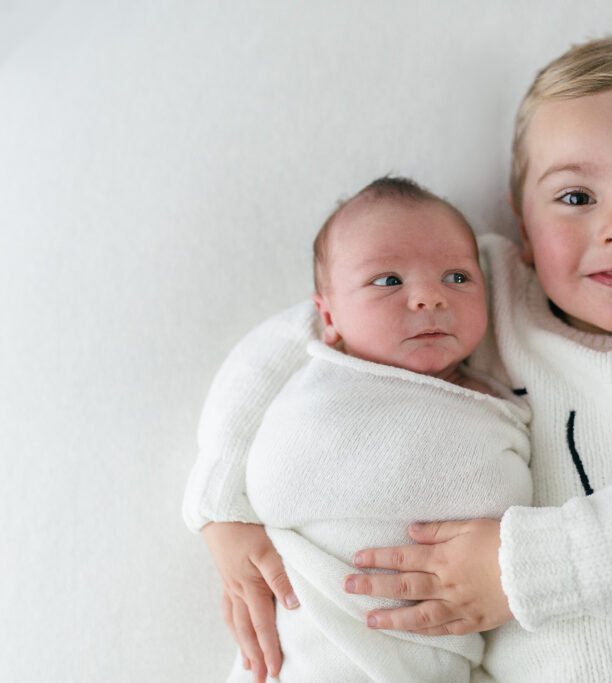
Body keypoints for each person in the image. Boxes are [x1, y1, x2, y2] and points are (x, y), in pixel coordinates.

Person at [186, 36, 612, 682]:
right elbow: (299, 334)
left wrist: (518, 565)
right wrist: (224, 503)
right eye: (576, 198)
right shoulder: (478, 292)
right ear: (523, 226)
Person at [186, 177, 532, 682]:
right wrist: (220, 513)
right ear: (327, 314)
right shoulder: (321, 373)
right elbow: (245, 382)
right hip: (307, 639)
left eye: (457, 277)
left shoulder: (495, 399)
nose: (429, 298)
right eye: (389, 281)